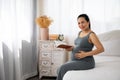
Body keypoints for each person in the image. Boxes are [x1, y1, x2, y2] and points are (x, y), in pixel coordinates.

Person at [56, 14, 104, 80]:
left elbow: (101, 49)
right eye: (79, 23)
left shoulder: (91, 35)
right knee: (59, 69)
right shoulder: (80, 32)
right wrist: (72, 48)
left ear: (88, 22)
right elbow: (80, 46)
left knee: (62, 68)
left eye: (83, 22)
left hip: (86, 62)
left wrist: (85, 54)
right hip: (75, 60)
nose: (81, 25)